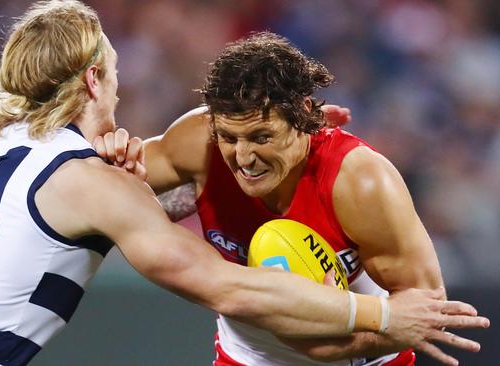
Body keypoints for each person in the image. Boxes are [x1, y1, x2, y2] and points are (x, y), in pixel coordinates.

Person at [0, 3, 489, 366]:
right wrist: (378, 312)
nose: (239, 154)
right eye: (118, 71)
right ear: (96, 80)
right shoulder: (94, 179)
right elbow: (226, 286)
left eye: (262, 135)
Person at [94, 32, 491, 366]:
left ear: (303, 115)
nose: (244, 158)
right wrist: (112, 156)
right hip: (249, 354)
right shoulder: (197, 141)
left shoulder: (361, 182)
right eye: (229, 138)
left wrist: (336, 341)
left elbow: (423, 311)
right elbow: (101, 191)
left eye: (261, 137)